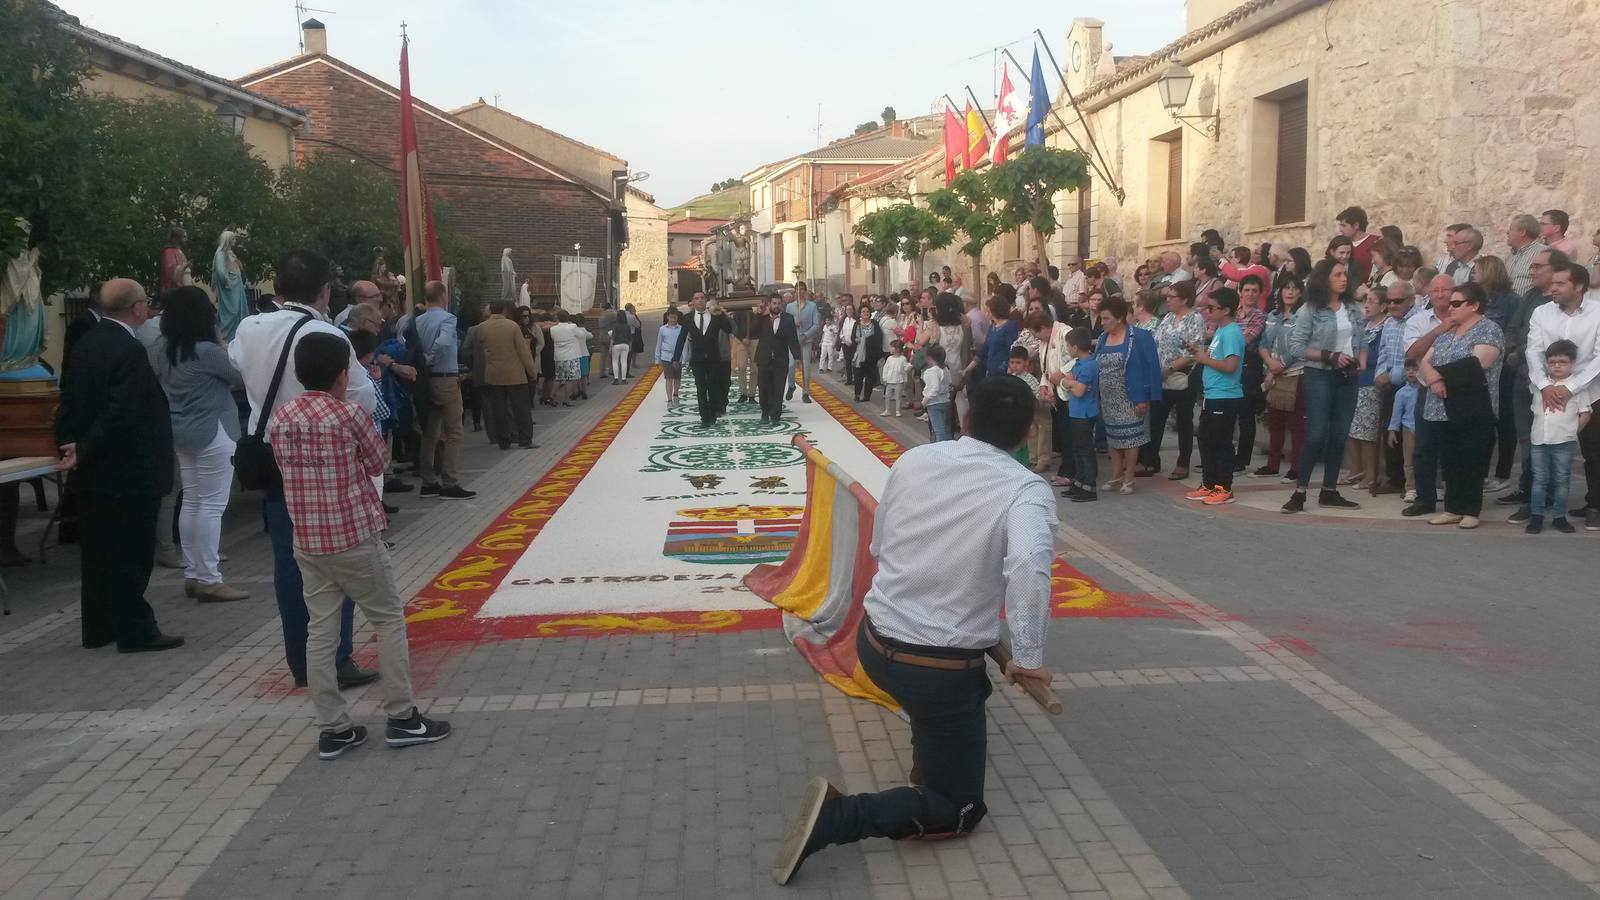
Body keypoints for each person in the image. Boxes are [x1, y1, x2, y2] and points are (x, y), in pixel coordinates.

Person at [771, 376, 1053, 887]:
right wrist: (1028, 655)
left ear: (965, 417)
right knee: (960, 807)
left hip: (873, 643)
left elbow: (882, 549)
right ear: (1026, 433)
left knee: (938, 714)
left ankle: (928, 767)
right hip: (937, 672)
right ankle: (839, 817)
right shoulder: (1025, 490)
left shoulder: (915, 460)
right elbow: (1030, 570)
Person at [269, 333, 451, 760]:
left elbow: (282, 468)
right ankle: (403, 717)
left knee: (320, 632)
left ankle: (333, 727)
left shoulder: (281, 417)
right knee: (387, 621)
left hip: (308, 541)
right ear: (342, 374)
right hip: (353, 536)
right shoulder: (348, 416)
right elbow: (376, 463)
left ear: (298, 373)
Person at [232, 250, 378, 688]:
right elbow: (362, 394)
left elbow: (238, 367)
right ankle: (336, 659)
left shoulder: (248, 326)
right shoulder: (322, 332)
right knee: (339, 554)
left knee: (289, 561)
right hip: (326, 454)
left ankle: (302, 662)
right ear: (324, 290)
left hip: (273, 449)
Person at [55, 278, 185, 652]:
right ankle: (134, 629)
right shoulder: (127, 349)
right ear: (137, 308)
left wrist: (70, 446)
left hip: (95, 470)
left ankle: (98, 628)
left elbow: (70, 400)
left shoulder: (85, 342)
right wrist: (85, 446)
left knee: (98, 552)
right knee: (131, 552)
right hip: (128, 469)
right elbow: (122, 411)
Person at [150, 286, 248, 603]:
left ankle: (193, 573)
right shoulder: (207, 350)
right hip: (213, 430)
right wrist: (221, 341)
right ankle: (209, 577)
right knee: (212, 505)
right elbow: (239, 376)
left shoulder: (159, 347)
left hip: (180, 429)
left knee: (192, 500)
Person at [1281, 258, 1365, 513]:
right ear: (1324, 278)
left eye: (1345, 274)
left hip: (1347, 375)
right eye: (1338, 274)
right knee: (1316, 433)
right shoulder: (1310, 309)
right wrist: (1329, 355)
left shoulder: (1352, 307)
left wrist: (1361, 361)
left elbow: (1362, 339)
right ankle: (1300, 492)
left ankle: (1329, 491)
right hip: (1320, 374)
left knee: (1340, 434)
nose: (1343, 279)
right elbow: (1295, 346)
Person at [1420, 282, 1503, 528]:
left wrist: (1436, 376)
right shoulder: (1448, 330)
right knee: (1450, 460)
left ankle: (1471, 509)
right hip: (1442, 405)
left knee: (1472, 459)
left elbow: (1477, 364)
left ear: (1474, 305)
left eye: (1456, 303)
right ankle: (1453, 507)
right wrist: (1432, 377)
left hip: (1474, 406)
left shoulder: (1489, 329)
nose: (1449, 307)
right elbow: (1424, 361)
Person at [1525, 262, 1600, 529]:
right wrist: (1545, 385)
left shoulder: (1597, 311)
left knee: (1594, 452)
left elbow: (1598, 358)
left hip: (1590, 392)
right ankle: (1534, 505)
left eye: (1559, 283)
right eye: (1552, 282)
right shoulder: (1541, 312)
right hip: (1545, 393)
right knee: (1538, 447)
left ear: (1578, 286)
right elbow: (1533, 351)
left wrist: (1569, 387)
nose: (1551, 287)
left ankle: (1595, 504)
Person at [411, 281, 474, 500]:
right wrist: (431, 358)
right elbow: (446, 342)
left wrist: (422, 362)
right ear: (442, 295)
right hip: (445, 378)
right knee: (454, 431)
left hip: (426, 381)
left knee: (430, 432)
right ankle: (450, 481)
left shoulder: (417, 320)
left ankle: (428, 481)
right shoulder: (448, 319)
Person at [1184, 287, 1246, 505]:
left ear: (1227, 309)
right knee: (1205, 440)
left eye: (1212, 308)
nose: (1207, 311)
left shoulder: (1231, 332)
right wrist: (1198, 352)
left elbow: (1230, 365)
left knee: (1221, 443)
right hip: (1212, 394)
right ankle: (1209, 483)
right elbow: (1213, 356)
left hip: (1225, 396)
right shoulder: (1220, 330)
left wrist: (1203, 359)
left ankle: (1224, 487)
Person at [1095, 297, 1161, 494]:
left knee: (1131, 438)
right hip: (1108, 398)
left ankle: (1129, 477)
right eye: (1101, 318)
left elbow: (1151, 367)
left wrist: (1145, 397)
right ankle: (1116, 476)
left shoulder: (1140, 337)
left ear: (1120, 318)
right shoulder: (1102, 338)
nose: (1102, 322)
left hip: (1131, 396)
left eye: (1106, 318)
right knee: (1113, 438)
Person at [1527, 339, 1591, 533]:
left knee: (1562, 479)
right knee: (1539, 479)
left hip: (1564, 441)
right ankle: (1536, 516)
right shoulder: (1539, 385)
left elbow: (1586, 413)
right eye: (1552, 361)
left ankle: (1559, 516)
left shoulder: (1576, 387)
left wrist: (1572, 432)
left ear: (1571, 363)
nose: (1556, 365)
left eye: (1562, 362)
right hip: (1539, 439)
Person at [1140, 280, 1203, 479]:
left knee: (1184, 421)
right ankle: (1151, 461)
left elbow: (1194, 350)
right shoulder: (1167, 318)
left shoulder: (1195, 319)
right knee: (1157, 419)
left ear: (1184, 299)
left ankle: (1183, 462)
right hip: (1162, 376)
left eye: (1171, 297)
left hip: (1183, 375)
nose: (1167, 300)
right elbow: (1156, 343)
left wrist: (1171, 367)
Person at [1256, 277, 1306, 480]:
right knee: (1274, 420)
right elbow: (1263, 343)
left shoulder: (1303, 317)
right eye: (1287, 287)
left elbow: (1299, 346)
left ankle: (1296, 467)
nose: (1290, 292)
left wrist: (1277, 366)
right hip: (1273, 371)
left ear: (1301, 293)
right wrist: (1270, 363)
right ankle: (1272, 464)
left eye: (1295, 288)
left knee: (1296, 423)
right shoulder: (1272, 316)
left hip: (1296, 372)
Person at [478, 301, 538, 450]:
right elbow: (523, 351)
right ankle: (525, 439)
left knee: (498, 410)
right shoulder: (512, 327)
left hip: (494, 374)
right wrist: (531, 372)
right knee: (521, 409)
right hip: (515, 374)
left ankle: (503, 441)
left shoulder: (482, 327)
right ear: (505, 310)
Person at [672, 292, 732, 427]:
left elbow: (728, 329)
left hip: (714, 358)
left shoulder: (715, 317)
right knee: (701, 389)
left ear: (706, 301)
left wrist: (721, 314)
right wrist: (676, 358)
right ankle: (704, 418)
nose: (699, 301)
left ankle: (712, 415)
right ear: (693, 301)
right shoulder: (687, 318)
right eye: (697, 298)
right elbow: (681, 338)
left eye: (702, 298)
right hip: (697, 359)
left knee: (713, 388)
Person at [1060, 327, 1099, 502]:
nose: (1067, 349)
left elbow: (1079, 391)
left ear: (1075, 347)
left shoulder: (1089, 365)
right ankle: (1079, 481)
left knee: (1085, 450)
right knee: (1077, 449)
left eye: (1068, 346)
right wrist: (1070, 382)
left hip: (1084, 413)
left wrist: (1069, 383)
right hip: (1076, 412)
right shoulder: (1078, 363)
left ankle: (1089, 485)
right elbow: (1066, 378)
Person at [753, 294, 802, 425]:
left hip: (781, 359)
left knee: (778, 388)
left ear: (782, 305)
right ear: (769, 304)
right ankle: (765, 412)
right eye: (774, 303)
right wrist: (759, 315)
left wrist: (797, 357)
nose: (776, 306)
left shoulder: (788, 319)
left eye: (779, 303)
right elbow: (752, 332)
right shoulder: (762, 317)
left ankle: (775, 415)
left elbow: (793, 339)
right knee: (763, 387)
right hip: (764, 358)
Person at [1386, 359, 1421, 503]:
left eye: (1415, 369)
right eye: (1408, 369)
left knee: (1430, 459)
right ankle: (1411, 488)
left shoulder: (1427, 389)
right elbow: (1396, 413)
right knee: (1409, 460)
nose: (1411, 372)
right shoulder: (1401, 393)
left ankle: (1434, 487)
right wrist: (1392, 430)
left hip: (1426, 428)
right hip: (1409, 429)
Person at [786, 288, 821, 403]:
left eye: (802, 289)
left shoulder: (812, 306)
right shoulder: (790, 306)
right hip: (792, 341)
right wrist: (793, 323)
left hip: (805, 340)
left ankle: (805, 393)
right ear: (795, 292)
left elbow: (816, 324)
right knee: (790, 365)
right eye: (797, 290)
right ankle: (791, 385)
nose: (799, 292)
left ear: (805, 291)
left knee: (805, 367)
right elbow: (785, 323)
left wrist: (806, 334)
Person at [1336, 206, 1377, 285]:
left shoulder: (1376, 243)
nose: (1340, 229)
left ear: (1356, 225)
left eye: (1344, 225)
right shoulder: (1341, 244)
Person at [921, 344, 953, 441]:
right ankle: (946, 445)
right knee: (945, 427)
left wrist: (925, 400)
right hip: (945, 401)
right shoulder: (945, 369)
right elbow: (949, 382)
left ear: (929, 358)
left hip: (934, 402)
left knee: (938, 429)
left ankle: (939, 447)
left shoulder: (932, 371)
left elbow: (935, 388)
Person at [853, 307, 885, 403]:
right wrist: (860, 342)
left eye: (867, 311)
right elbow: (853, 337)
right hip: (859, 354)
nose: (865, 313)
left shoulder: (874, 323)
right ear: (860, 314)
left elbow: (879, 338)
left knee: (870, 377)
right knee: (858, 376)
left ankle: (867, 396)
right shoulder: (857, 324)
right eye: (863, 312)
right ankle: (857, 395)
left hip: (871, 354)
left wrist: (867, 341)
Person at [655, 308, 683, 405]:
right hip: (666, 356)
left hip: (678, 357)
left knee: (677, 378)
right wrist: (657, 359)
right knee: (669, 378)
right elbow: (659, 344)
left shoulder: (681, 329)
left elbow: (685, 344)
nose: (673, 320)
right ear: (668, 317)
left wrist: (686, 357)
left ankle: (676, 394)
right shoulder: (662, 329)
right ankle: (669, 399)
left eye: (675, 318)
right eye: (671, 317)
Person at [880, 340, 911, 417]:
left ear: (897, 349)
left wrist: (910, 364)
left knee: (898, 397)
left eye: (891, 347)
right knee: (887, 396)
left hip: (898, 381)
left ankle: (898, 410)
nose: (890, 349)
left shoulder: (902, 358)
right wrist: (885, 378)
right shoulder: (889, 358)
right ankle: (887, 410)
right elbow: (885, 368)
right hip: (890, 380)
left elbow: (906, 368)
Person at [608, 308, 633, 385]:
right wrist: (630, 346)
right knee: (624, 361)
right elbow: (630, 338)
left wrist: (610, 346)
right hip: (625, 345)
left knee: (615, 361)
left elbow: (613, 337)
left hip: (616, 345)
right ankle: (624, 379)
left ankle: (616, 379)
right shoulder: (627, 326)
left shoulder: (615, 325)